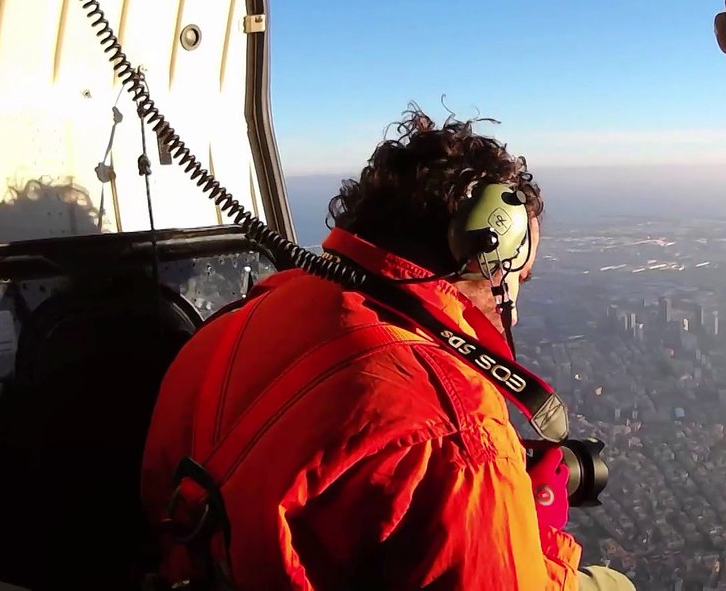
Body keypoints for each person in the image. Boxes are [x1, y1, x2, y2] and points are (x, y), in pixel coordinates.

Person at [139, 108, 635, 591]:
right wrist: (536, 527)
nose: (518, 303)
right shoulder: (456, 431)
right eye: (520, 275)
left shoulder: (250, 312)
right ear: (483, 252)